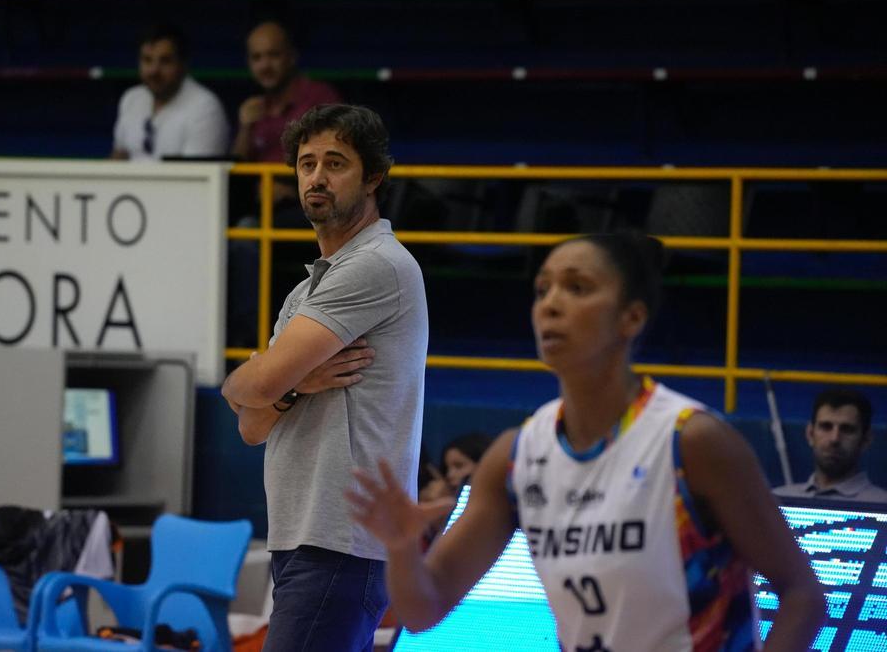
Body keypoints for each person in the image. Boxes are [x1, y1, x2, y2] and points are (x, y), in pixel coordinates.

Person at [347, 233, 825, 651]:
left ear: (631, 318)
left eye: (577, 288)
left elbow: (803, 593)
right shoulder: (516, 457)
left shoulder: (692, 442)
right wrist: (402, 547)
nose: (550, 304)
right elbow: (422, 610)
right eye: (542, 289)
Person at [221, 104, 428, 652]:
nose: (316, 176)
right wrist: (295, 383)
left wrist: (264, 383)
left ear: (374, 176)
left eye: (335, 163)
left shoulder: (375, 265)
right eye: (306, 163)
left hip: (342, 543)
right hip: (305, 539)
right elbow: (250, 425)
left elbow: (245, 389)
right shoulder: (304, 292)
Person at [110, 24, 229, 161]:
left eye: (165, 61)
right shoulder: (131, 98)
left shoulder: (206, 108)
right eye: (147, 60)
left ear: (183, 64)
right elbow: (119, 157)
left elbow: (197, 178)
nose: (154, 70)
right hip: (129, 183)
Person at [231, 21, 341, 164]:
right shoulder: (253, 109)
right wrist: (245, 129)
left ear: (292, 57)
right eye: (257, 57)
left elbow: (333, 161)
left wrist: (289, 185)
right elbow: (236, 168)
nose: (265, 66)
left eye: (274, 55)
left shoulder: (319, 99)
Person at [774, 388, 887, 503]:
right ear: (810, 434)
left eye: (847, 429)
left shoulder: (882, 504)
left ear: (866, 439)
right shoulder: (774, 502)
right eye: (826, 427)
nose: (834, 439)